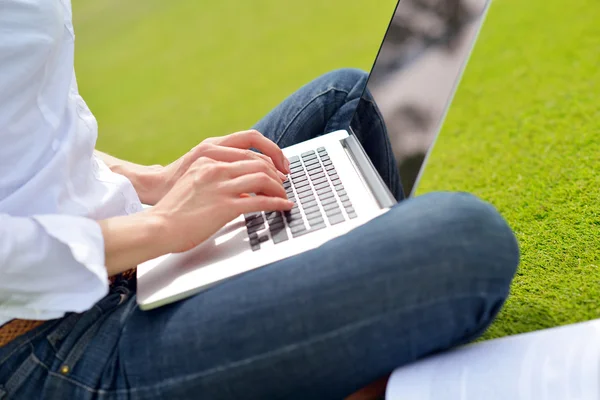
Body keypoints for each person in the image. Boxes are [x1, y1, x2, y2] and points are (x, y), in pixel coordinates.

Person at [0, 1, 519, 399]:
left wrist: (150, 181)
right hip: (52, 343)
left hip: (129, 250)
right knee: (465, 242)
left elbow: (32, 121)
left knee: (340, 102)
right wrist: (160, 229)